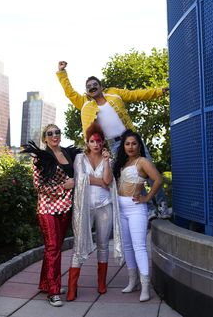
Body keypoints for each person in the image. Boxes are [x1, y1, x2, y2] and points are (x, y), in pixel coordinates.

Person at [56, 61, 170, 220]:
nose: (92, 87)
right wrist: (62, 73)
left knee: (149, 169)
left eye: (95, 84)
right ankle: (149, 208)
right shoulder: (84, 103)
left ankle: (163, 204)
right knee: (133, 176)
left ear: (101, 87)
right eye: (89, 86)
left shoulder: (114, 93)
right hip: (115, 145)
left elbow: (135, 94)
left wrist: (159, 91)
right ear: (87, 91)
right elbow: (69, 92)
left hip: (130, 136)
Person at [21, 124, 79, 307]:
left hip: (66, 207)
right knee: (53, 248)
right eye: (50, 133)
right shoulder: (40, 157)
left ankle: (46, 283)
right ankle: (53, 292)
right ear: (45, 138)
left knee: (54, 248)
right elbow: (39, 186)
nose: (54, 135)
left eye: (57, 132)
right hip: (47, 209)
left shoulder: (69, 154)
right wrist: (63, 187)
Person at [66, 122, 123, 301]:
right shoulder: (80, 159)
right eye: (92, 141)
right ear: (87, 142)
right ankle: (72, 287)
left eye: (99, 141)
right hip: (85, 207)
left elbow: (108, 179)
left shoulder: (109, 159)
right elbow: (82, 178)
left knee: (103, 244)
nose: (96, 144)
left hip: (105, 206)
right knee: (79, 243)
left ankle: (101, 283)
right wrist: (101, 182)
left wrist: (106, 163)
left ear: (103, 142)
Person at [113, 129, 162, 302]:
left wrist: (147, 197)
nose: (131, 147)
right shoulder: (122, 163)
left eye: (134, 143)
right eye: (127, 144)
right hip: (121, 209)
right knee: (127, 246)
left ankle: (145, 285)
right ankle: (133, 281)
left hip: (136, 209)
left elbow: (158, 179)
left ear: (139, 145)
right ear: (123, 146)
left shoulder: (142, 162)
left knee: (139, 246)